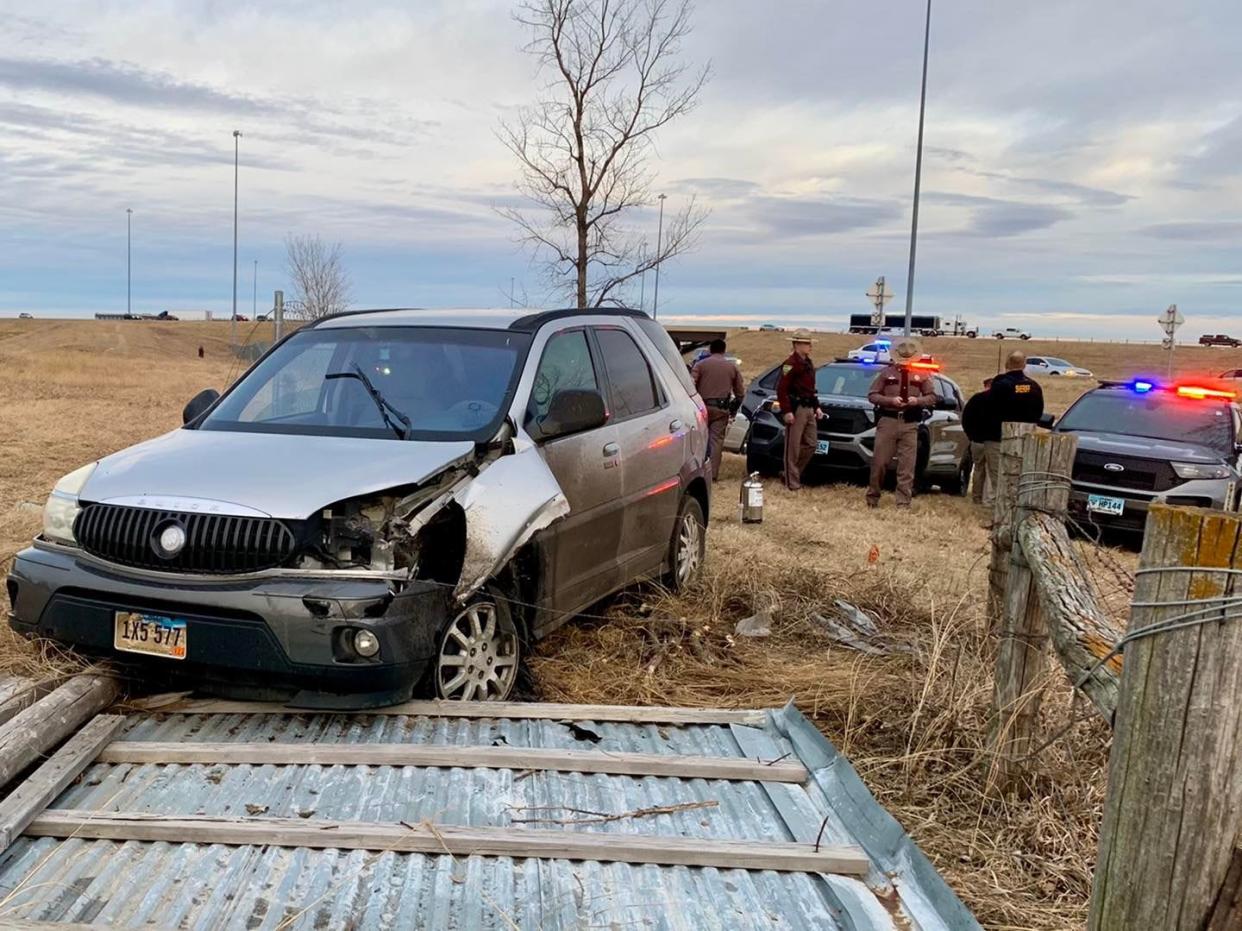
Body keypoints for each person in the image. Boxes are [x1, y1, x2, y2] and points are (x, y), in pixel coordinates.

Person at [865, 339, 937, 508]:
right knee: (880, 462)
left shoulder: (922, 375)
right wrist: (890, 400)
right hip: (888, 421)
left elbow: (932, 397)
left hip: (910, 423)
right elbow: (872, 395)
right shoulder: (886, 373)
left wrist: (917, 400)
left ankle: (903, 502)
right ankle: (873, 497)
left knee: (907, 465)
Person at [975, 351, 1045, 493]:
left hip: (996, 438)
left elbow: (987, 410)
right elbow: (1039, 412)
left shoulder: (999, 386)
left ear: (1007, 364)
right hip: (1024, 439)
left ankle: (1000, 511)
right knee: (1019, 476)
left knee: (999, 478)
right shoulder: (1034, 387)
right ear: (1024, 365)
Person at [692, 338, 746, 482]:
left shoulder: (700, 365)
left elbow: (691, 385)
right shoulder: (732, 367)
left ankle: (697, 472)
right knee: (716, 441)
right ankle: (713, 474)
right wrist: (734, 407)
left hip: (702, 408)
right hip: (721, 409)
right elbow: (740, 392)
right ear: (723, 350)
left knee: (699, 440)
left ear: (710, 349)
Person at [775, 330, 823, 491]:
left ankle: (790, 472)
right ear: (797, 345)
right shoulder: (790, 363)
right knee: (793, 447)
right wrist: (787, 410)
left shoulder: (808, 364)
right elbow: (782, 389)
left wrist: (817, 407)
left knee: (811, 444)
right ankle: (792, 482)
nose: (810, 347)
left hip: (809, 407)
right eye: (807, 343)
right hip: (796, 409)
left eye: (810, 343)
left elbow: (811, 389)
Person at [961, 376, 993, 504]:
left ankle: (977, 497)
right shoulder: (999, 400)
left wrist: (971, 436)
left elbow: (966, 419)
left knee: (978, 470)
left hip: (977, 441)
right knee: (991, 471)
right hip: (993, 441)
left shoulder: (976, 399)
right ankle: (988, 499)